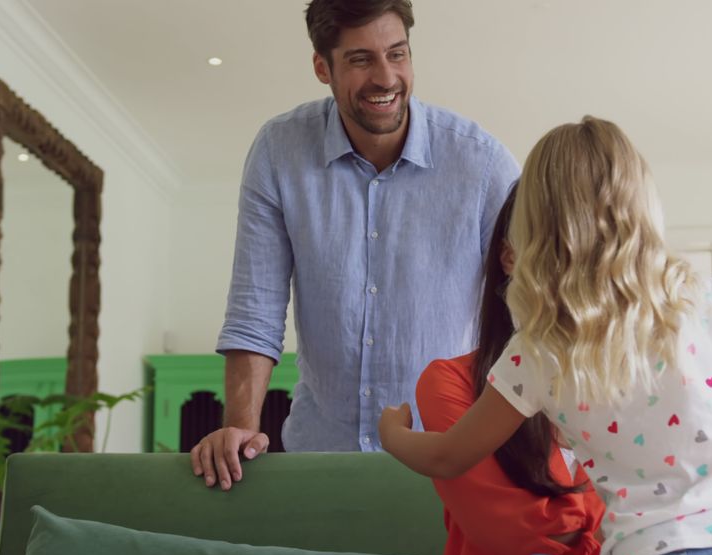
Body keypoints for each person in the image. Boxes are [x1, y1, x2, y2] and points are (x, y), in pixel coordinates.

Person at [379, 116, 712, 555]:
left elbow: (447, 457)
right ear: (643, 206)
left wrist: (392, 432)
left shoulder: (537, 350)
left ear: (535, 225)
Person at [191, 0, 518, 490]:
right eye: (361, 59)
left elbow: (529, 313)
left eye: (398, 54)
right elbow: (254, 311)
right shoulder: (279, 153)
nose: (386, 77)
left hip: (452, 464)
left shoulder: (485, 165)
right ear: (323, 67)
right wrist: (242, 426)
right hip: (320, 461)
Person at [417, 188, 603, 555]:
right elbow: (522, 534)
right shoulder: (451, 383)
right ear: (509, 257)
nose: (573, 264)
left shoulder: (623, 379)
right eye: (552, 244)